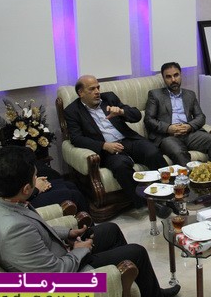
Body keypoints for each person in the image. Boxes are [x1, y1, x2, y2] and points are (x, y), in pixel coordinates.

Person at [0, 146, 186, 297]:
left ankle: (150, 293)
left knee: (111, 230)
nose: (37, 178)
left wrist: (67, 233)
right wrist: (79, 250)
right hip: (65, 276)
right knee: (136, 253)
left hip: (54, 253)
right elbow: (55, 274)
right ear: (25, 189)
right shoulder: (14, 230)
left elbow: (35, 229)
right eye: (34, 177)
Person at [63, 75, 172, 217]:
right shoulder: (72, 111)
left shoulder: (109, 98)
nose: (97, 91)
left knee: (152, 152)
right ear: (81, 93)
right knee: (120, 166)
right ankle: (148, 203)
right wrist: (103, 145)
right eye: (92, 89)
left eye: (98, 87)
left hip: (128, 139)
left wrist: (121, 112)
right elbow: (76, 139)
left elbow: (137, 116)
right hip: (108, 149)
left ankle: (170, 193)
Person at [144, 62, 211, 167]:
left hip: (189, 134)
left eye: (176, 75)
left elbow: (201, 117)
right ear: (164, 79)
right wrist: (168, 128)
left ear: (181, 75)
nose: (173, 80)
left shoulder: (190, 94)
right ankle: (192, 177)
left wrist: (189, 126)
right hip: (168, 136)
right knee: (179, 152)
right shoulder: (155, 95)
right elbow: (148, 119)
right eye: (168, 77)